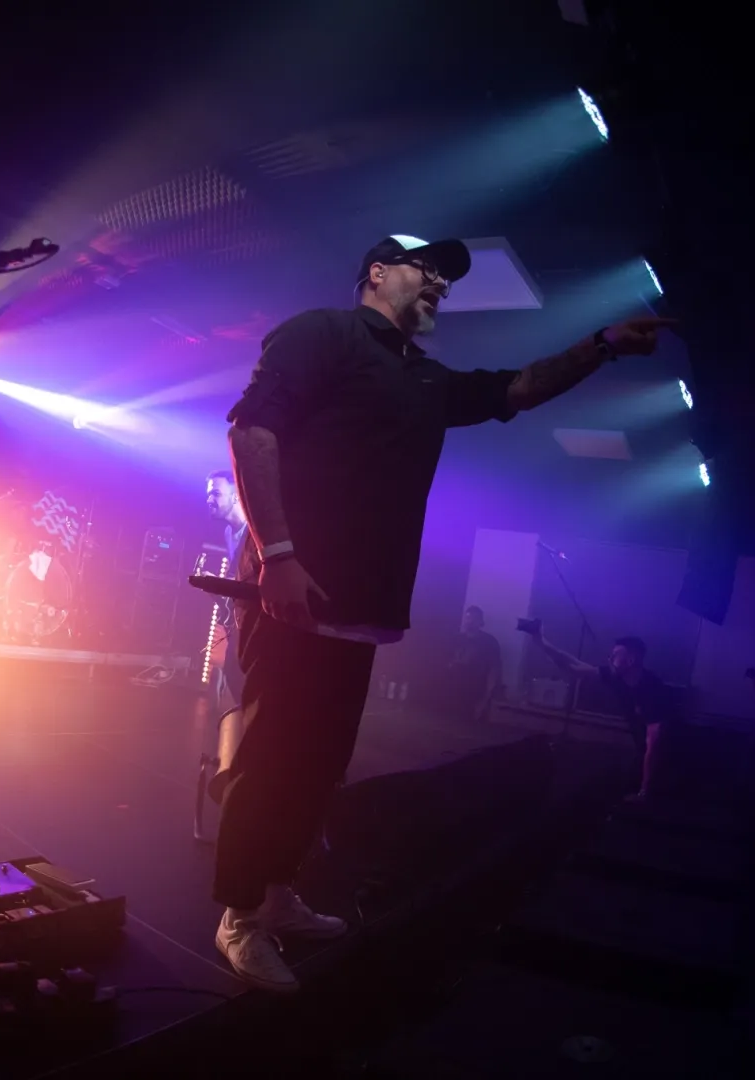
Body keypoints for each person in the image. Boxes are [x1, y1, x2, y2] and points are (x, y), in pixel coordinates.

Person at [212, 233, 673, 991]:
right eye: (428, 269)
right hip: (295, 592)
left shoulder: (422, 377)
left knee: (321, 763)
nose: (441, 285)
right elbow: (251, 430)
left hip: (359, 607)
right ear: (378, 272)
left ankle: (275, 893)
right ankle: (237, 917)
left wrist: (604, 346)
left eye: (446, 279)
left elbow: (517, 389)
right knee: (271, 760)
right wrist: (281, 555)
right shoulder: (321, 334)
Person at [530, 629, 678, 802]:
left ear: (630, 661)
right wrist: (539, 639)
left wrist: (645, 791)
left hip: (669, 758)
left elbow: (654, 745)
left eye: (615, 655)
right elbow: (573, 666)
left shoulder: (652, 690)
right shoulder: (615, 676)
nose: (610, 658)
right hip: (643, 750)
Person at [205, 470, 249, 706]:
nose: (209, 500)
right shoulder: (228, 532)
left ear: (236, 496)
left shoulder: (254, 532)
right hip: (239, 619)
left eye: (216, 493)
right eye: (208, 494)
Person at [445, 605, 502, 724]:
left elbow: (494, 670)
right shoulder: (456, 638)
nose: (469, 622)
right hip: (453, 691)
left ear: (481, 622)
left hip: (475, 692)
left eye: (473, 619)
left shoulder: (489, 642)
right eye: (467, 618)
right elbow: (446, 662)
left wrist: (486, 698)